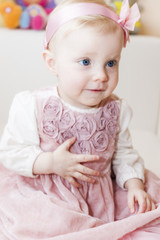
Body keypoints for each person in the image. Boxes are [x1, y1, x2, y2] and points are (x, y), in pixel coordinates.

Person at [0, 0, 160, 239]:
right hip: (49, 195)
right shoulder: (31, 105)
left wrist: (133, 185)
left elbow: (124, 153)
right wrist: (51, 162)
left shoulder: (118, 109)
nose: (101, 76)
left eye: (111, 63)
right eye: (85, 62)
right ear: (52, 62)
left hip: (100, 194)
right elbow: (11, 153)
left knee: (146, 210)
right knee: (46, 226)